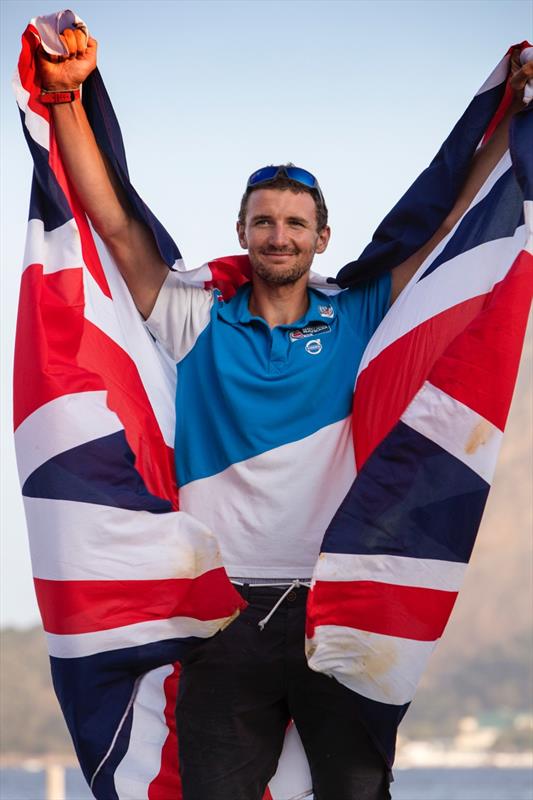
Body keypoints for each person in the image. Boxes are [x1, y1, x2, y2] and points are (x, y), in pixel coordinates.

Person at [37, 28, 532, 800]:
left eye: (295, 224)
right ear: (243, 232)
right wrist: (66, 95)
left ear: (320, 238)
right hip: (226, 619)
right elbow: (119, 228)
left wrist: (510, 112)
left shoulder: (360, 312)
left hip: (332, 615)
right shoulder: (193, 315)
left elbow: (444, 224)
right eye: (263, 222)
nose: (278, 235)